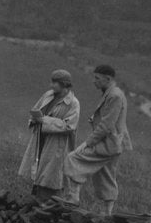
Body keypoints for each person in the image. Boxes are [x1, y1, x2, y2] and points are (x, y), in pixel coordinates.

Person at [58, 65, 132, 215]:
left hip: (108, 143)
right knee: (106, 175)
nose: (94, 81)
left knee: (73, 158)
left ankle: (73, 198)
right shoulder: (113, 93)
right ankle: (107, 214)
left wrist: (87, 143)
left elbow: (106, 125)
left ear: (108, 79)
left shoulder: (114, 96)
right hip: (114, 143)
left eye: (97, 78)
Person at [17, 69, 80, 201]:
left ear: (64, 84)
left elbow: (69, 125)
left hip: (57, 144)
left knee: (52, 173)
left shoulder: (73, 103)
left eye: (55, 83)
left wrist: (44, 120)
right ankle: (38, 199)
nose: (51, 85)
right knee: (39, 168)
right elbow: (36, 109)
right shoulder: (48, 95)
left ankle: (52, 202)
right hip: (41, 139)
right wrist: (34, 119)